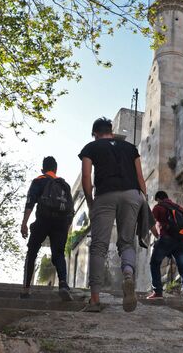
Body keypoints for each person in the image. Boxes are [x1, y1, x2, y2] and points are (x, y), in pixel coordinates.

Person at [79, 117, 147, 313]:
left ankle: (94, 299)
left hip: (105, 195)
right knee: (126, 242)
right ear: (111, 130)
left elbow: (86, 178)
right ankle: (127, 273)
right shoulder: (130, 148)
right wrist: (144, 200)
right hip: (132, 194)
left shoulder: (91, 148)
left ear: (95, 134)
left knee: (99, 246)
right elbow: (140, 178)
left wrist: (91, 203)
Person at [21, 156, 74, 301]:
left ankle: (26, 289)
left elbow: (30, 202)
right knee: (58, 254)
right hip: (61, 223)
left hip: (43, 220)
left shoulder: (39, 180)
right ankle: (63, 283)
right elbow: (70, 209)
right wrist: (66, 228)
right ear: (56, 170)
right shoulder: (64, 185)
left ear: (43, 169)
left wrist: (24, 223)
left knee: (32, 252)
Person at [146, 191, 183, 306]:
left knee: (154, 263)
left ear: (158, 198)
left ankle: (157, 292)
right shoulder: (179, 208)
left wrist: (158, 236)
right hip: (182, 240)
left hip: (167, 239)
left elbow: (150, 222)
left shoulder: (158, 207)